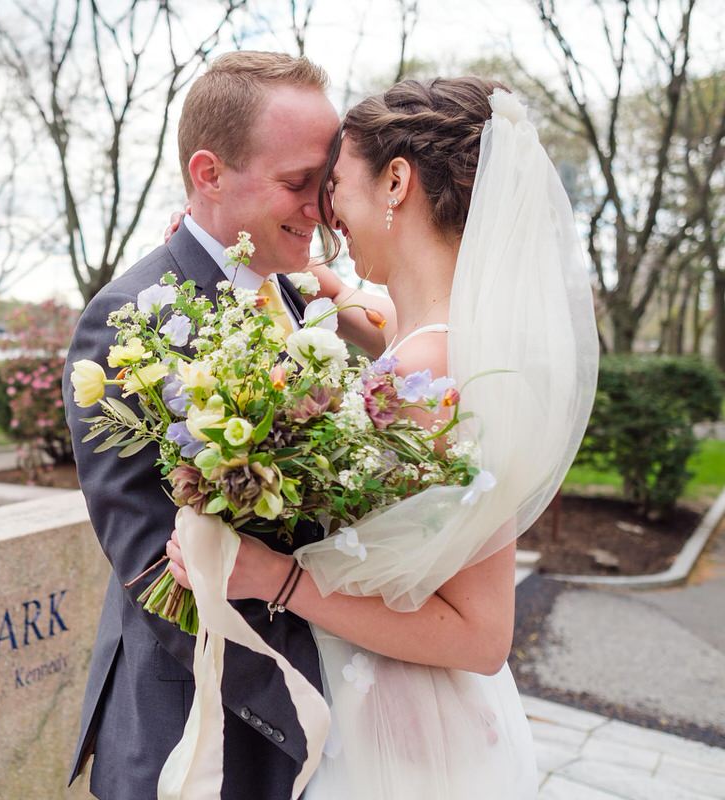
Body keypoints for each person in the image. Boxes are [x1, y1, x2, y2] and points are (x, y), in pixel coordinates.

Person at [166, 77, 597, 798]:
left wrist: (278, 579)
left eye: (335, 184)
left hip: (400, 735)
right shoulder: (443, 342)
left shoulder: (427, 374)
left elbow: (481, 636)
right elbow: (394, 338)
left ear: (396, 181)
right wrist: (321, 291)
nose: (326, 211)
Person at [61, 51, 340, 799]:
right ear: (209, 175)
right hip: (199, 724)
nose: (323, 207)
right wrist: (319, 702)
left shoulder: (303, 298)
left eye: (330, 180)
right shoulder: (128, 318)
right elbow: (157, 565)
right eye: (297, 183)